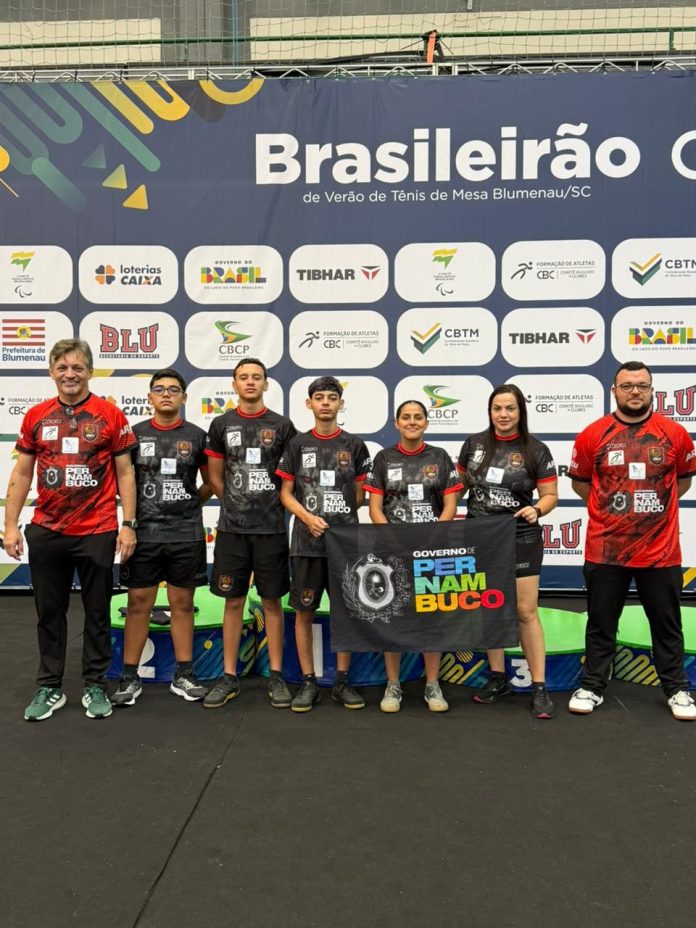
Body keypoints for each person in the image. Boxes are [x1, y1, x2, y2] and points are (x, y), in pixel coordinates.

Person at [3, 338, 138, 721]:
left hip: (97, 530)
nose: (70, 374)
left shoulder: (110, 415)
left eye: (77, 367)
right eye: (62, 368)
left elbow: (126, 473)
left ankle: (95, 684)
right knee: (49, 612)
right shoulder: (36, 416)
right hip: (47, 530)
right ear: (51, 372)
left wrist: (128, 524)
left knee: (97, 612)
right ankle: (50, 686)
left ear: (90, 371)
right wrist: (10, 525)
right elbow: (22, 473)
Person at [568, 361, 696, 720]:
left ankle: (677, 689)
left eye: (642, 385)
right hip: (605, 549)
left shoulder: (675, 434)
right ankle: (592, 686)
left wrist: (651, 513)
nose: (635, 391)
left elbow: (682, 481)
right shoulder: (593, 435)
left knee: (667, 625)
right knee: (601, 623)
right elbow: (581, 484)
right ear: (615, 391)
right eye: (627, 386)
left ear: (652, 390)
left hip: (661, 551)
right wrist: (612, 512)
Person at [457, 383, 558, 719]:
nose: (503, 414)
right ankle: (498, 678)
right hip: (480, 536)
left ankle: (539, 686)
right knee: (489, 607)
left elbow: (550, 495)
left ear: (520, 412)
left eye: (510, 408)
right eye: (497, 408)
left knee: (525, 611)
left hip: (520, 536)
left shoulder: (536, 449)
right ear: (490, 411)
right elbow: (457, 488)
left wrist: (537, 509)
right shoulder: (473, 444)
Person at [112, 369, 212, 708]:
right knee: (138, 603)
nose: (166, 394)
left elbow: (211, 482)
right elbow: (123, 480)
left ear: (184, 397)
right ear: (149, 397)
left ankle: (184, 675)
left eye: (173, 389)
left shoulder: (197, 436)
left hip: (186, 533)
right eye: (159, 389)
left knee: (182, 604)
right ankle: (129, 676)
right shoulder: (134, 434)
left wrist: (189, 503)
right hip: (144, 534)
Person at [203, 358, 297, 709]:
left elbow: (290, 479)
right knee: (233, 601)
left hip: (271, 529)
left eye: (256, 377)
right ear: (235, 384)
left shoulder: (282, 426)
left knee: (272, 602)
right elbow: (214, 478)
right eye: (243, 377)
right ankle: (229, 676)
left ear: (266, 384)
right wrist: (237, 505)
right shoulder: (221, 424)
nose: (250, 382)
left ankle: (276, 675)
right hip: (232, 530)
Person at [277, 376, 371, 713]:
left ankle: (342, 681)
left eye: (332, 397)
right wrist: (308, 517)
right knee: (304, 612)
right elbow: (285, 494)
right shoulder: (297, 444)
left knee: (346, 613)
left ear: (341, 404)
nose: (326, 403)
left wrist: (338, 519)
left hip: (345, 546)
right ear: (310, 404)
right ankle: (308, 681)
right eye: (319, 397)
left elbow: (359, 496)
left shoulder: (355, 445)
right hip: (306, 544)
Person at [365, 400, 463, 713]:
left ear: (426, 422)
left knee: (431, 616)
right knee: (392, 615)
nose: (412, 422)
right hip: (390, 550)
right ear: (396, 423)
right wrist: (394, 542)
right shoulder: (383, 458)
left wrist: (432, 539)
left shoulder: (440, 457)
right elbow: (375, 508)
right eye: (406, 417)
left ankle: (432, 684)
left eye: (418, 417)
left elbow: (450, 504)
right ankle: (393, 685)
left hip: (432, 551)